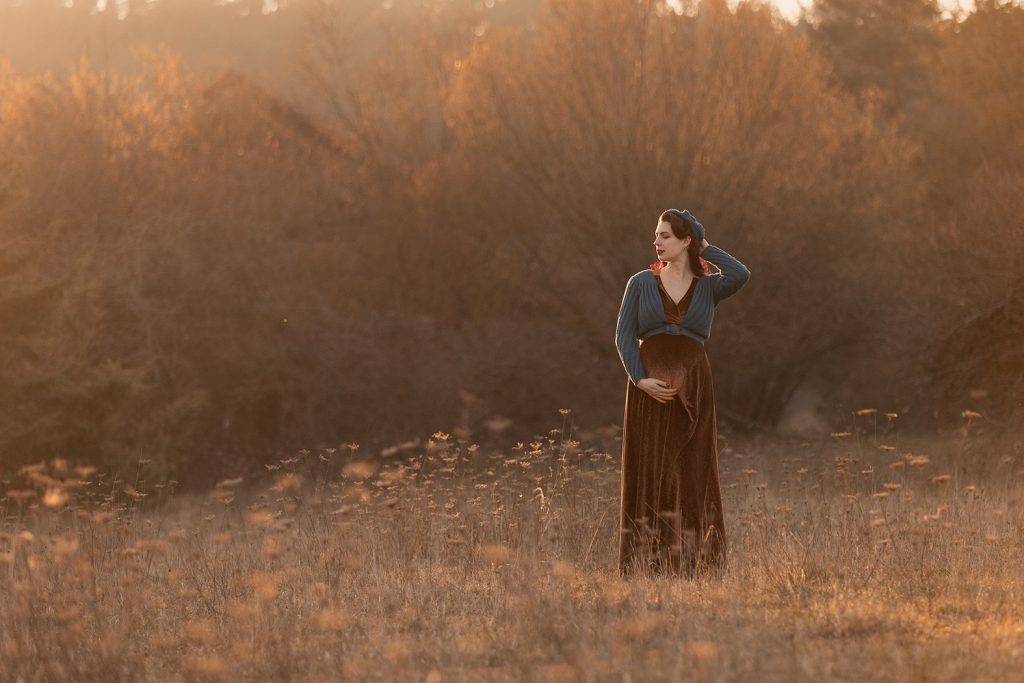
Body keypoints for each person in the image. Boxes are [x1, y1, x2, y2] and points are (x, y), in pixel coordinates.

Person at [614, 209, 750, 578]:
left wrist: (705, 245)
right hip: (649, 391)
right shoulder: (640, 283)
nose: (656, 242)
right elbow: (623, 336)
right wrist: (640, 379)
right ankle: (648, 564)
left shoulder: (708, 286)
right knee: (652, 469)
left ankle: (696, 562)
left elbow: (740, 274)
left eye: (665, 236)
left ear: (685, 241)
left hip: (695, 384)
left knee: (694, 467)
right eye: (656, 236)